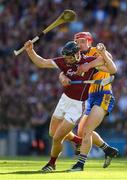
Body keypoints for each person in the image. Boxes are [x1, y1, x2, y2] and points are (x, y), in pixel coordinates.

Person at [24, 40, 115, 172]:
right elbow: (42, 62)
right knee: (52, 132)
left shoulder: (89, 62)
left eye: (69, 57)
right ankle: (78, 140)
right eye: (65, 57)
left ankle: (51, 164)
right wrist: (30, 51)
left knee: (57, 137)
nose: (66, 60)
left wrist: (102, 54)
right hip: (64, 100)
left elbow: (112, 69)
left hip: (78, 105)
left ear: (77, 54)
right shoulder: (63, 61)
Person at [60, 32, 119, 170]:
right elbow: (64, 70)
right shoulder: (76, 57)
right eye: (77, 42)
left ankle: (80, 164)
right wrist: (63, 77)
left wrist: (99, 57)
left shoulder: (96, 51)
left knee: (87, 130)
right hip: (89, 97)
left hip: (103, 95)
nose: (79, 45)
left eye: (82, 41)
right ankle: (108, 150)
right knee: (81, 132)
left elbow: (112, 68)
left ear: (89, 42)